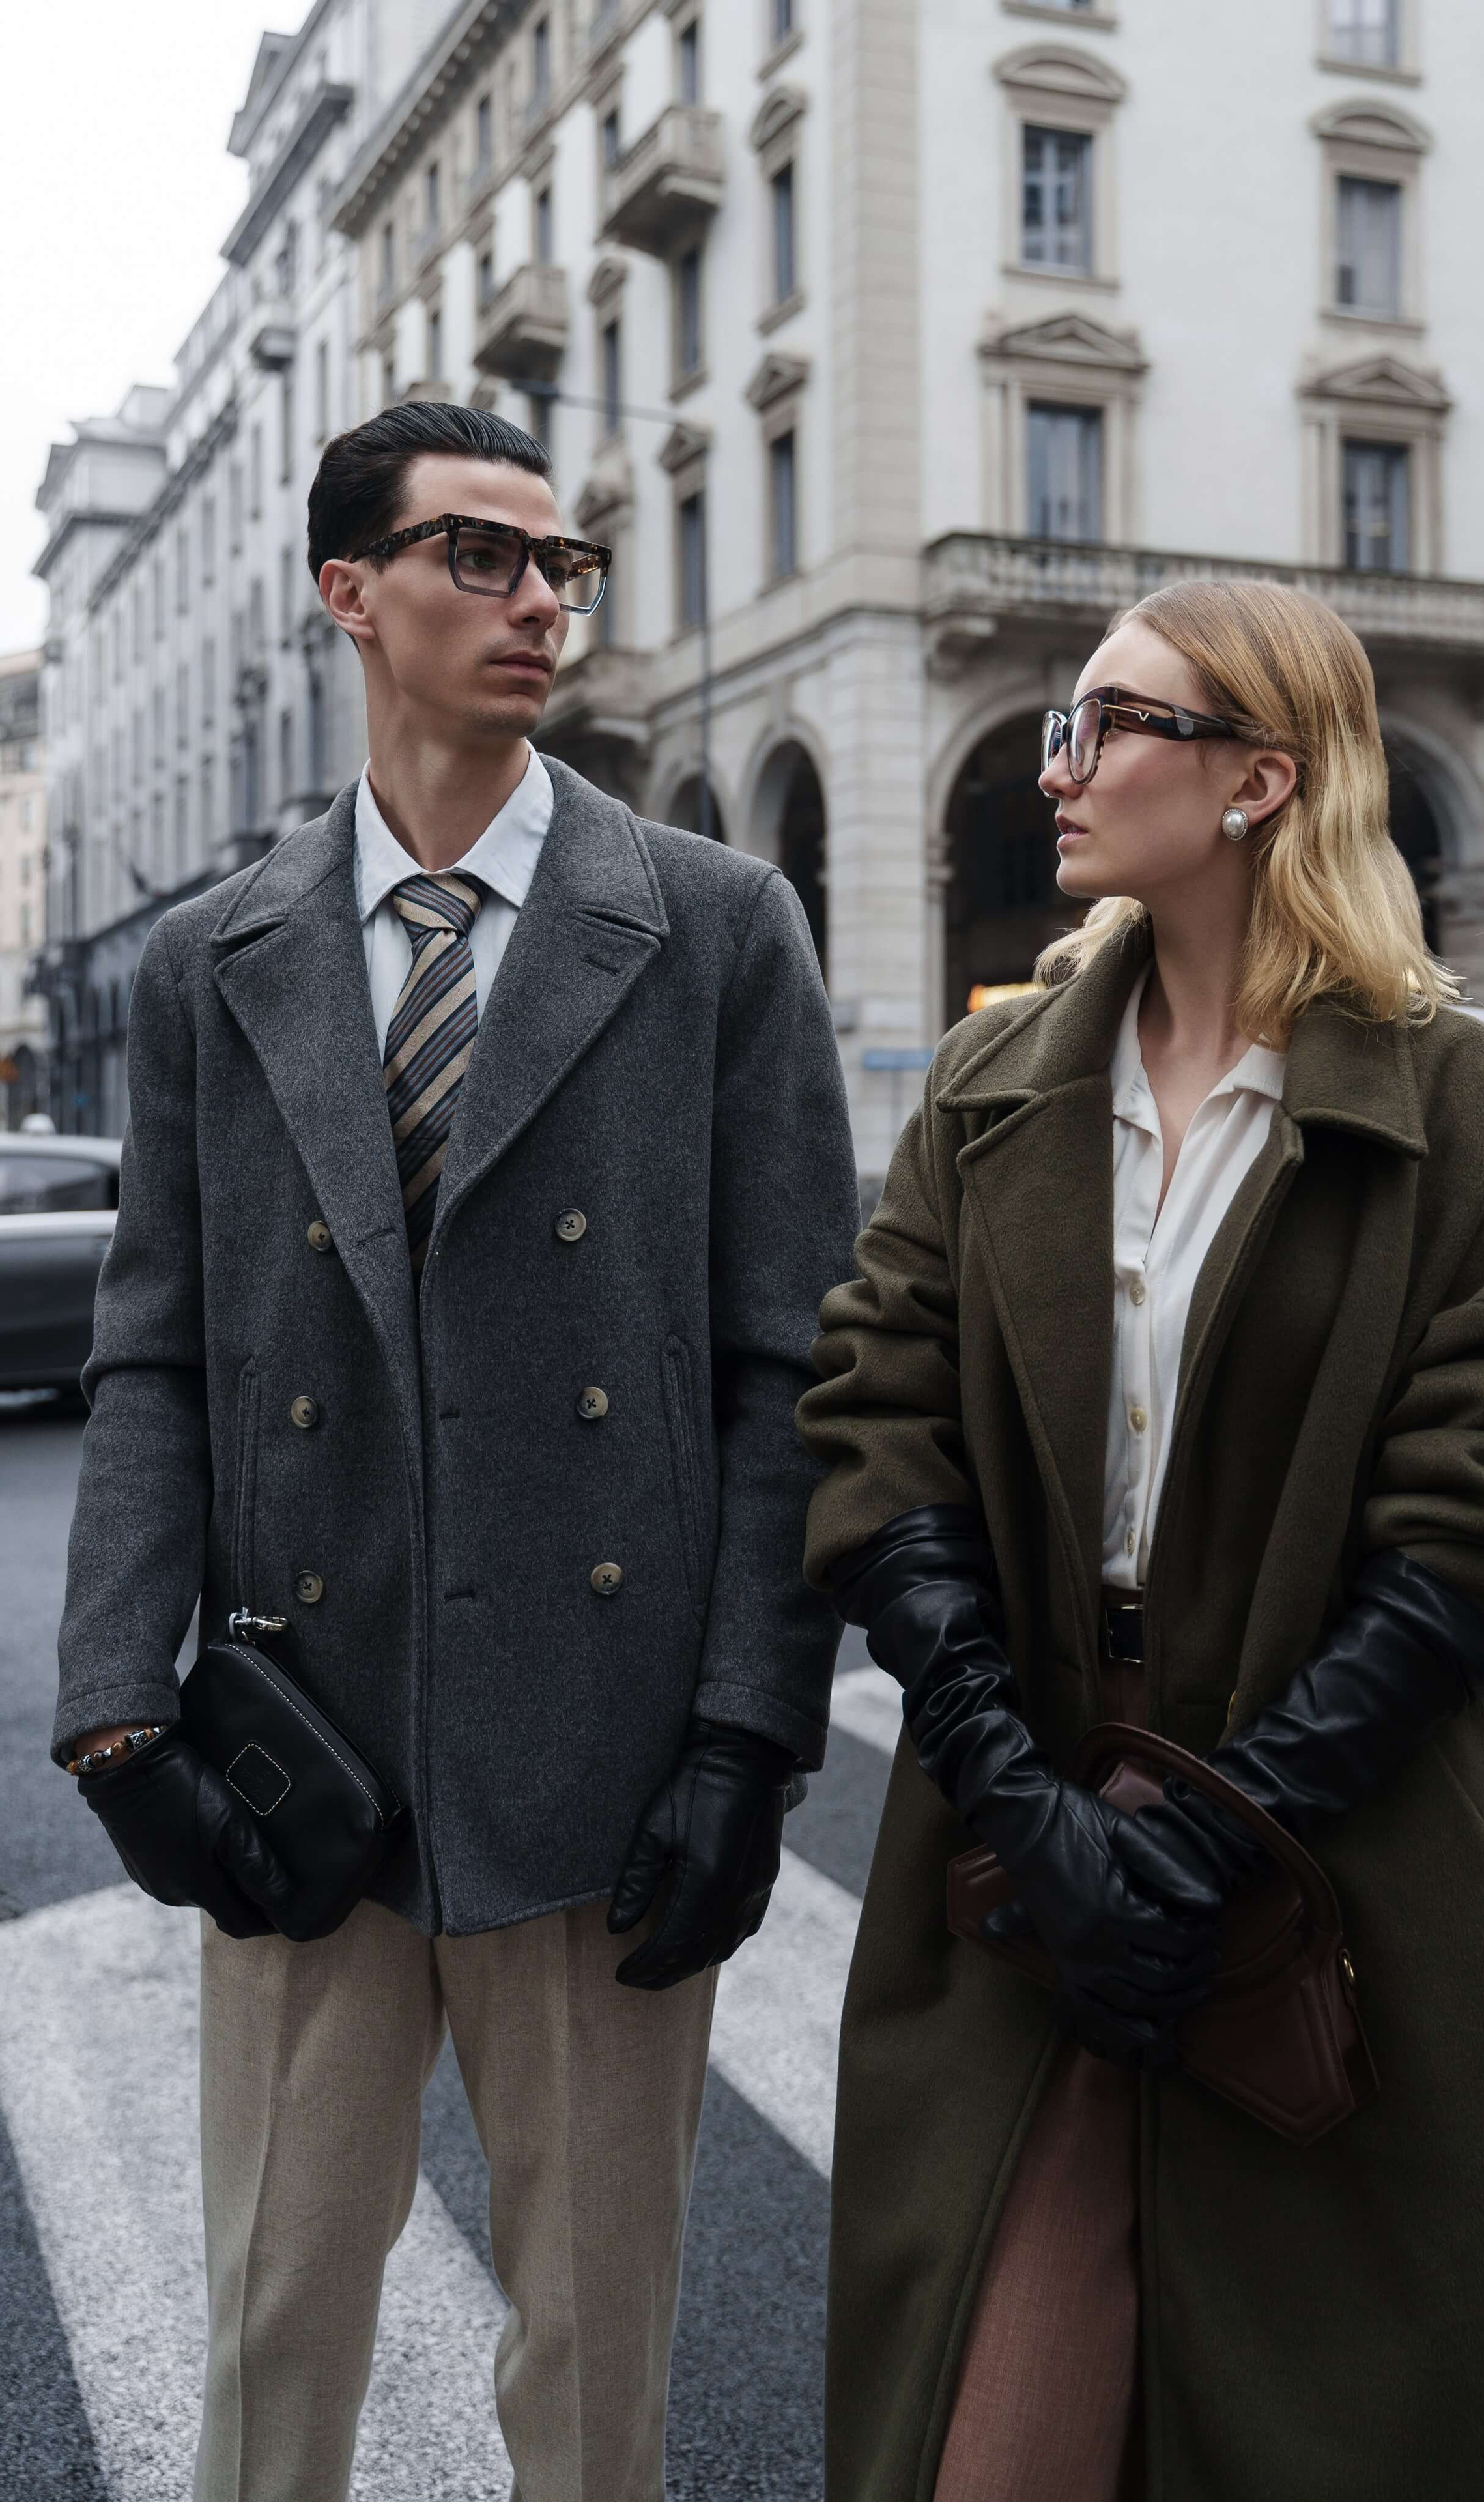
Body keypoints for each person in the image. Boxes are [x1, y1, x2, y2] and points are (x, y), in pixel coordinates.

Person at [53, 400, 858, 2502]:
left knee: (597, 2366)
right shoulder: (212, 963)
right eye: (481, 558)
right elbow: (152, 1356)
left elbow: (796, 1369)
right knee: (269, 2326)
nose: (539, 602)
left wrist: (748, 1739)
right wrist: (121, 1719)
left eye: (560, 565)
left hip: (601, 1765)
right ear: (354, 591)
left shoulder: (713, 925)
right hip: (303, 1746)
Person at [799, 579, 1484, 2502]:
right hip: (1037, 1848)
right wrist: (1028, 1802)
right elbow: (874, 1425)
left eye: (1107, 723)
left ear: (1261, 778)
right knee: (994, 2433)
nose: (1055, 763)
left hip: (1356, 1858)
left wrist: (1210, 1835)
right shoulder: (994, 1089)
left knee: (1342, 2424)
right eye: (1058, 726)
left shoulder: (1469, 1105)